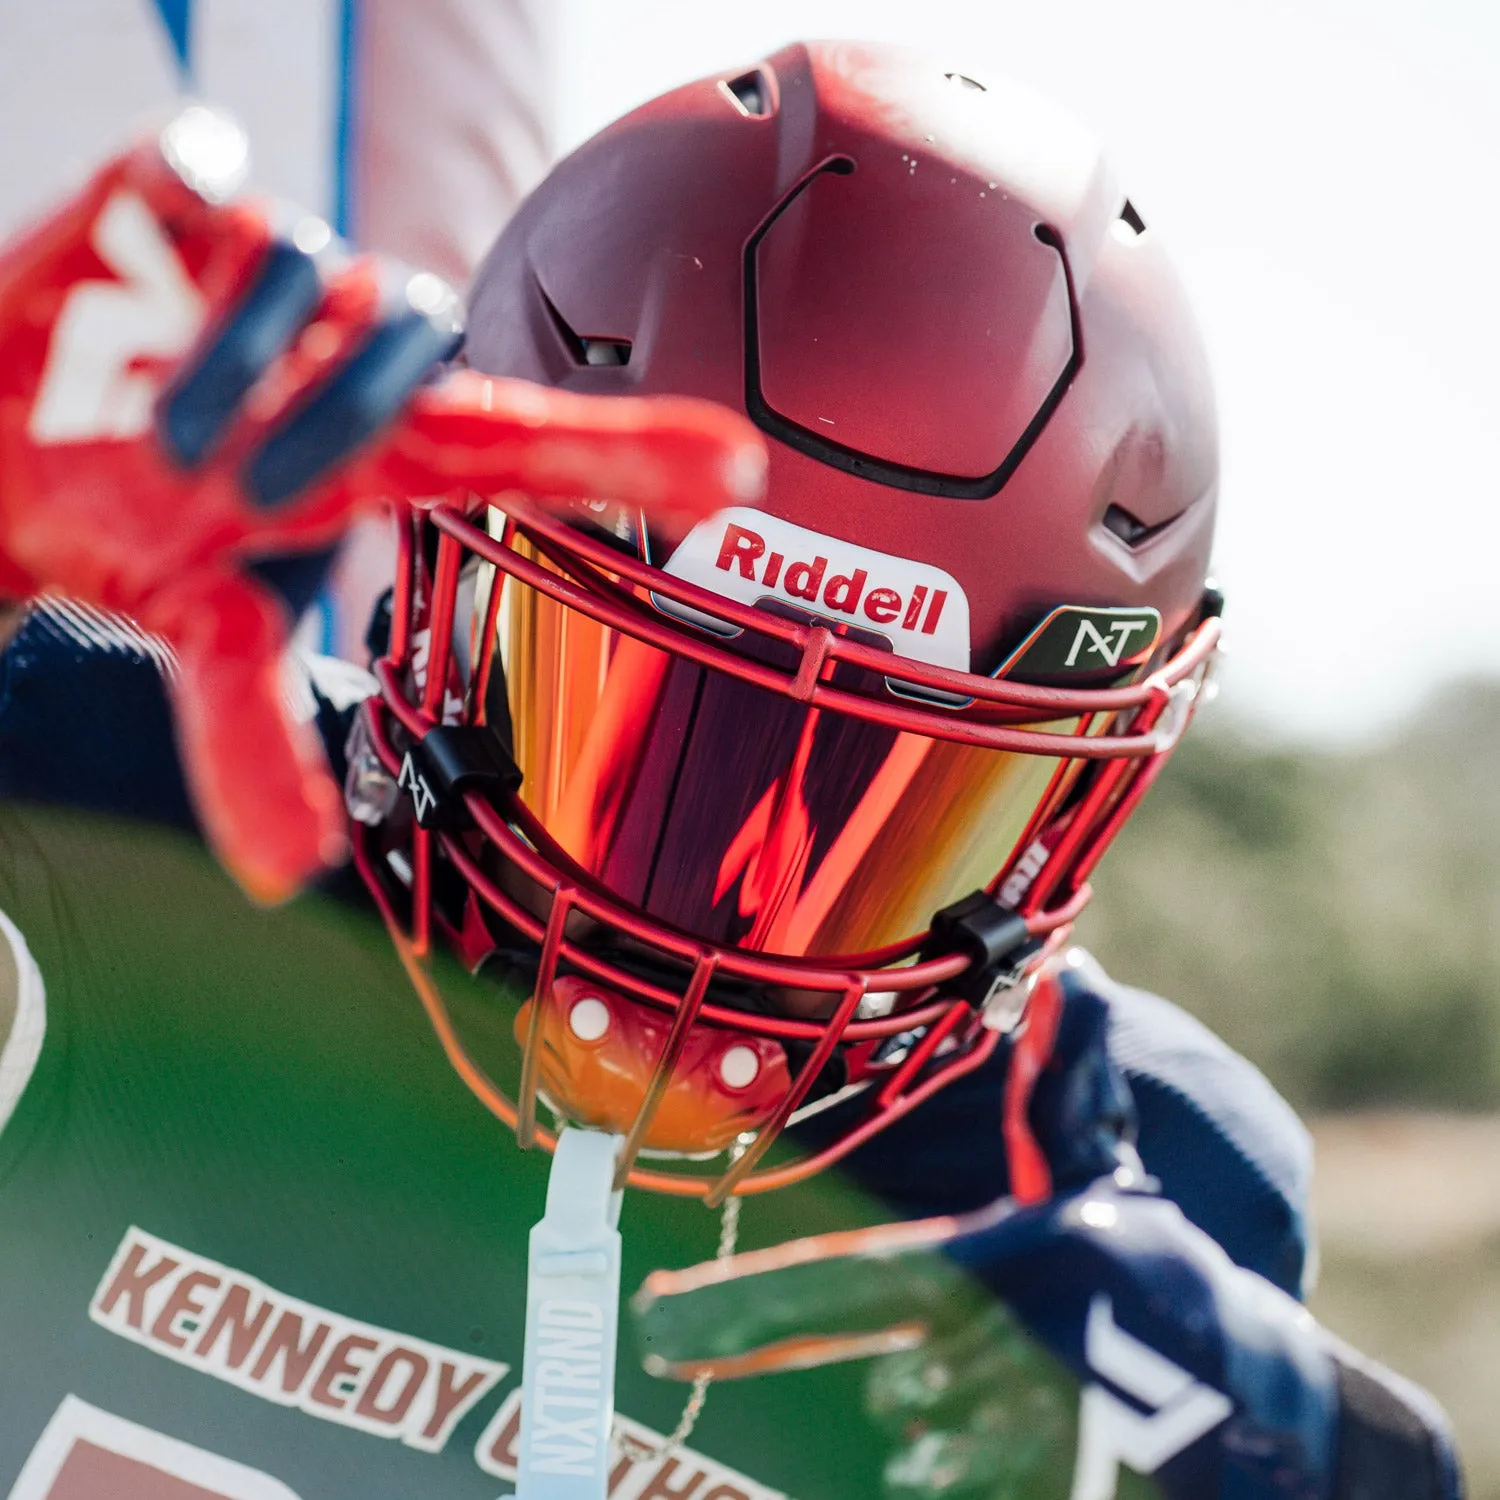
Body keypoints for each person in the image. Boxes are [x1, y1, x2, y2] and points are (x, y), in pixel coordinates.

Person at [0, 50, 1463, 1500]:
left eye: (885, 811)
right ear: (446, 570)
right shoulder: (92, 823)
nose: (694, 935)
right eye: (632, 721)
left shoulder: (1130, 1208)